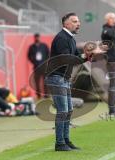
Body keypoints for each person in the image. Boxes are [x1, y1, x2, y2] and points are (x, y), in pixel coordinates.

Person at [45, 12, 102, 152]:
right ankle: (59, 143)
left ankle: (65, 140)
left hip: (63, 78)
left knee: (69, 110)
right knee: (63, 111)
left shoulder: (70, 38)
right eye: (75, 21)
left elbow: (77, 57)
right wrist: (87, 55)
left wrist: (89, 55)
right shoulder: (61, 38)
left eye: (78, 21)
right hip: (56, 77)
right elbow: (68, 59)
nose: (78, 23)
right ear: (66, 24)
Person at [101, 12, 115, 115]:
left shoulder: (114, 30)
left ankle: (114, 109)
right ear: (108, 19)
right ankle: (112, 110)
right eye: (112, 18)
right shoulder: (106, 30)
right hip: (113, 61)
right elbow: (109, 34)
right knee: (114, 85)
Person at [28, 33, 49, 99]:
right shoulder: (32, 47)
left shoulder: (44, 46)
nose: (37, 39)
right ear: (34, 38)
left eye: (38, 37)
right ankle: (38, 94)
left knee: (45, 81)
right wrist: (33, 61)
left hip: (44, 66)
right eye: (36, 37)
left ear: (40, 37)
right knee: (37, 81)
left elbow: (48, 54)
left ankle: (46, 94)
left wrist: (46, 62)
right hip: (36, 66)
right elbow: (29, 56)